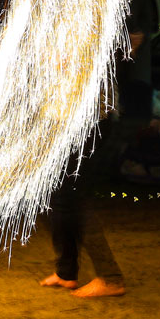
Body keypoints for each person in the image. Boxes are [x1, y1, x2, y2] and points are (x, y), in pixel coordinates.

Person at [40, 109, 125, 298]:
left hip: (83, 119)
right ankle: (66, 271)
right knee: (55, 195)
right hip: (67, 120)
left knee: (71, 197)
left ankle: (111, 278)